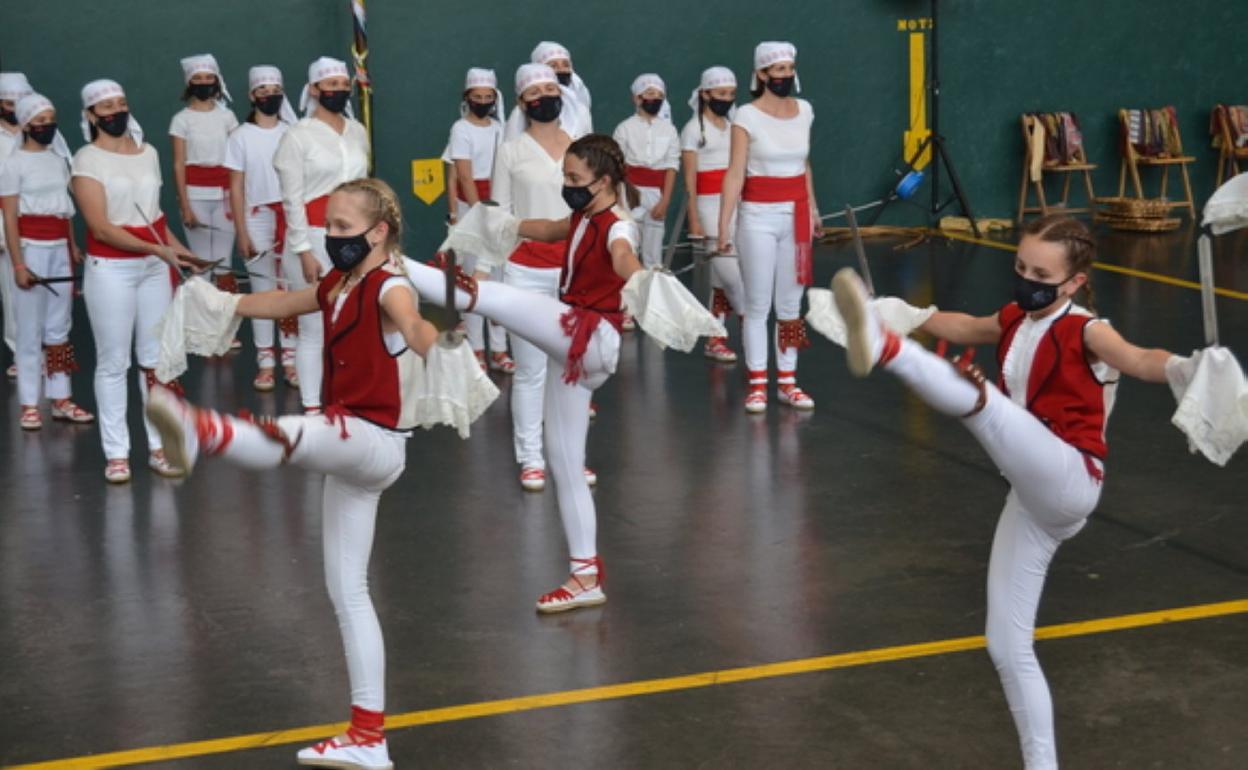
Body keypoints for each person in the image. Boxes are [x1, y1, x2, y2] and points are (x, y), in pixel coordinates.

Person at [831, 214, 1207, 770]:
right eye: (1021, 267)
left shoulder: (1086, 329)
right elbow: (967, 325)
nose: (1027, 280)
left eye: (1042, 275)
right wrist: (904, 312)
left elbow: (1138, 359)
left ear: (1075, 282)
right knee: (1006, 646)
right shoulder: (1016, 316)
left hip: (1071, 477)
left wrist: (1188, 367)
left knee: (982, 403)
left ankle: (887, 351)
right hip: (1031, 500)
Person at [147, 178, 439, 770]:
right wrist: (223, 303)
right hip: (355, 451)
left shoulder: (389, 285)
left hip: (371, 440)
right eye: (327, 224)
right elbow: (285, 303)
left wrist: (439, 342)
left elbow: (411, 322)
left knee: (300, 433)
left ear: (378, 232)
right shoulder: (339, 281)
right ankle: (368, 738)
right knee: (348, 593)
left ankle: (205, 431)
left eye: (341, 227)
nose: (330, 236)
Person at [405, 134, 643, 611]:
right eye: (565, 176)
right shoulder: (583, 215)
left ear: (604, 181)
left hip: (590, 335)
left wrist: (640, 278)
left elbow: (622, 254)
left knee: (487, 296)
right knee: (565, 465)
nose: (566, 185)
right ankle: (585, 576)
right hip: (574, 351)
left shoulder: (618, 225)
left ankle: (390, 265)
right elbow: (550, 229)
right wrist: (506, 224)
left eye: (574, 178)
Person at [71, 79, 200, 483]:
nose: (116, 112)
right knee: (113, 363)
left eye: (121, 103)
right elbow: (100, 227)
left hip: (153, 270)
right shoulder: (86, 160)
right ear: (91, 115)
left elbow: (155, 218)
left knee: (154, 361)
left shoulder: (150, 153)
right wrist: (157, 251)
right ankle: (117, 454)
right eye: (106, 107)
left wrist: (182, 252)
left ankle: (158, 447)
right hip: (111, 270)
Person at [718, 41, 820, 413]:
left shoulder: (805, 110)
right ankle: (758, 383)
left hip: (797, 215)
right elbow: (735, 173)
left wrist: (814, 208)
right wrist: (723, 225)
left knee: (791, 304)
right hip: (757, 217)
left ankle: (788, 383)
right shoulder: (745, 116)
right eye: (778, 70)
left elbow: (804, 165)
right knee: (758, 304)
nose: (786, 75)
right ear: (761, 74)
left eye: (790, 68)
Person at [273, 56, 370, 413]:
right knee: (314, 327)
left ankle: (348, 401)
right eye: (331, 85)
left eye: (343, 85)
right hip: (314, 238)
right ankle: (313, 409)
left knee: (353, 323)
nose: (339, 91)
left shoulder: (357, 131)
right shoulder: (296, 136)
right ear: (314, 89)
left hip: (356, 240)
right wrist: (303, 250)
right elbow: (292, 199)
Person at [0, 92, 94, 430]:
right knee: (29, 329)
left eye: (51, 120)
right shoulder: (12, 164)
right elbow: (10, 218)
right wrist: (19, 264)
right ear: (26, 124)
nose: (47, 126)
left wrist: (72, 246)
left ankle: (61, 398)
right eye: (40, 121)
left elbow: (64, 210)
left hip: (59, 251)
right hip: (30, 248)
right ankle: (29, 403)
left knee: (59, 326)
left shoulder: (57, 160)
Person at [224, 64, 299, 391]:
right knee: (263, 290)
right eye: (263, 91)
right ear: (252, 96)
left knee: (290, 290)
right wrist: (241, 231)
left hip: (290, 216)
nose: (270, 96)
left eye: (276, 91)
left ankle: (291, 360)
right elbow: (236, 186)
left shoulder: (293, 132)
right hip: (256, 217)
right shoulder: (240, 136)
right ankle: (266, 362)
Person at [446, 67, 512, 372]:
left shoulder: (501, 128)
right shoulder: (460, 128)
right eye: (477, 96)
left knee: (498, 279)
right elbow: (464, 176)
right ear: (467, 97)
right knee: (473, 280)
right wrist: (479, 213)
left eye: (488, 97)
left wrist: (498, 211)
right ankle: (476, 349)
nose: (483, 102)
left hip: (499, 207)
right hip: (472, 211)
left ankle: (499, 349)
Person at [680, 66, 745, 363]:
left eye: (731, 94)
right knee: (730, 276)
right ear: (705, 94)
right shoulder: (692, 130)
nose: (727, 99)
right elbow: (689, 181)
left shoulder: (734, 126)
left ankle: (715, 338)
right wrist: (693, 217)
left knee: (721, 279)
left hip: (736, 204)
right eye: (721, 93)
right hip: (708, 207)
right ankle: (750, 321)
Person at [169, 54, 239, 308]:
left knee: (223, 260)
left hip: (225, 196)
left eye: (209, 77)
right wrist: (185, 205)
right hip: (195, 195)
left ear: (217, 81)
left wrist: (237, 197)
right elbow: (179, 164)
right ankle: (202, 319)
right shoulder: (181, 119)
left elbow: (237, 158)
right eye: (197, 78)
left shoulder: (227, 117)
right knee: (201, 261)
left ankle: (224, 317)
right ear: (189, 83)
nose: (204, 82)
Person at [613, 73, 679, 269]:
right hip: (629, 192)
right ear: (637, 98)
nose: (655, 98)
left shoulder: (669, 130)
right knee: (628, 246)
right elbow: (616, 166)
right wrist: (620, 201)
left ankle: (653, 287)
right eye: (650, 93)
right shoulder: (624, 128)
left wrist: (665, 201)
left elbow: (672, 166)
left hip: (657, 195)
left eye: (660, 95)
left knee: (653, 256)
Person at [0, 71, 35, 378]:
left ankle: (51, 355)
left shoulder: (39, 133)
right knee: (13, 294)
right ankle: (21, 354)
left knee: (48, 296)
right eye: (9, 103)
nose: (16, 109)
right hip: (5, 225)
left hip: (41, 226)